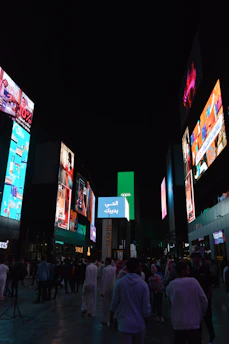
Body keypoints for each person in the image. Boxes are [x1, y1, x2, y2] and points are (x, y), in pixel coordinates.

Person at [110, 258, 150, 344]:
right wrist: (146, 323)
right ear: (138, 268)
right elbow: (146, 308)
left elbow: (114, 303)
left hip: (124, 324)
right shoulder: (143, 285)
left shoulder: (120, 283)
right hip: (139, 324)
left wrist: (111, 319)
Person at [166, 261, 208, 344]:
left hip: (178, 323)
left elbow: (170, 301)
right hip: (193, 322)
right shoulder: (193, 282)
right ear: (183, 270)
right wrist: (200, 314)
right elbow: (204, 301)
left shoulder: (171, 285)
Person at [189, 252, 215, 344]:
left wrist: (208, 295)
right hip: (195, 299)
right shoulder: (191, 270)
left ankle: (212, 337)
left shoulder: (205, 269)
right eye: (194, 258)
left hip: (205, 297)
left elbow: (210, 283)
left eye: (197, 258)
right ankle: (198, 339)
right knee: (198, 319)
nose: (195, 260)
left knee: (207, 318)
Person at [101, 257, 117, 325]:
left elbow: (103, 280)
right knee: (112, 304)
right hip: (113, 287)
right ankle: (112, 318)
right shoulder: (114, 269)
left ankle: (105, 320)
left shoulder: (105, 269)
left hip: (106, 288)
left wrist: (102, 291)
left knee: (105, 305)